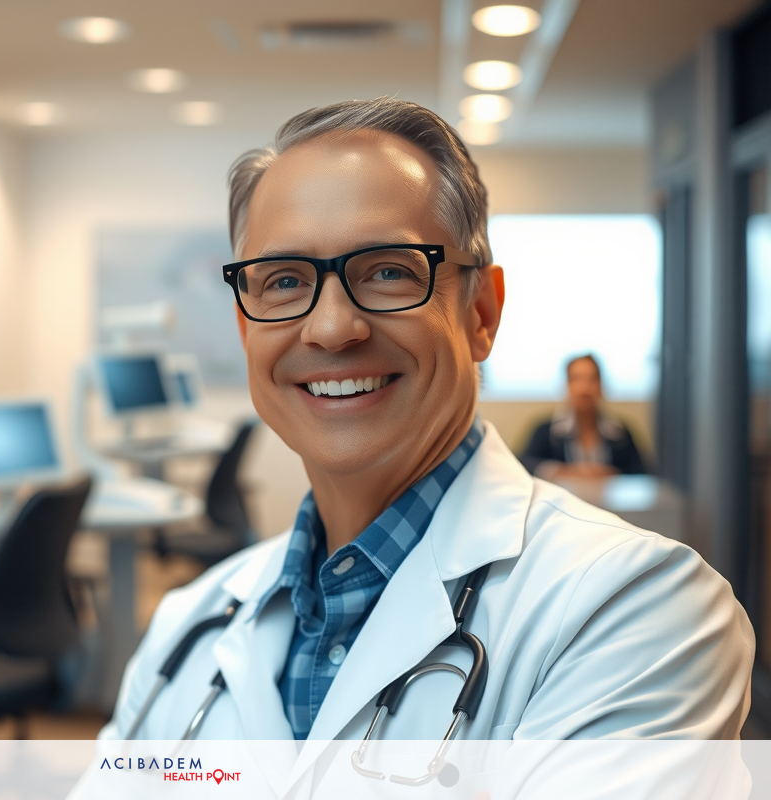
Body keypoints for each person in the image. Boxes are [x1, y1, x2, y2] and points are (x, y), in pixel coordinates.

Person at [98, 98, 752, 780]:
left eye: (389, 271)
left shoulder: (636, 613)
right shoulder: (188, 623)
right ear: (245, 329)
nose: (331, 328)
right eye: (284, 281)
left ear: (481, 313)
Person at [521, 353, 647, 478]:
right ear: (567, 385)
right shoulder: (546, 431)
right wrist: (563, 471)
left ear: (601, 385)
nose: (584, 388)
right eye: (576, 379)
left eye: (592, 379)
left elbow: (642, 472)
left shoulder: (620, 434)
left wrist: (612, 475)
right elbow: (522, 465)